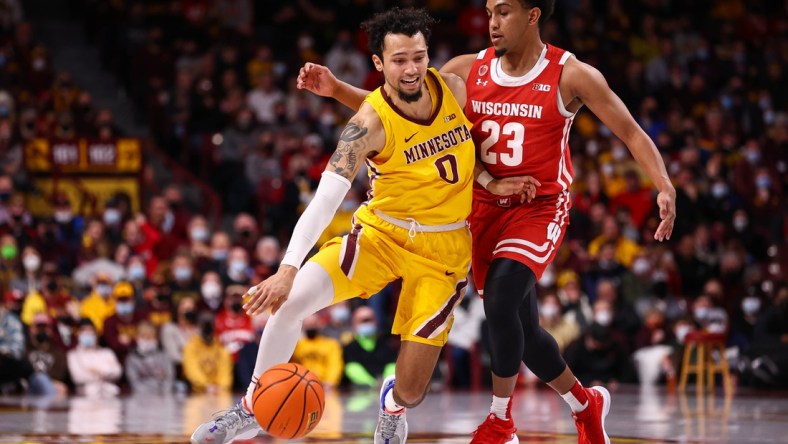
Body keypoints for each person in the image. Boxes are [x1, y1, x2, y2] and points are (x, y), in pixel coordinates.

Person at [298, 1, 677, 442]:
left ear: (533, 16)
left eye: (503, 12)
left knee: (499, 301)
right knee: (526, 331)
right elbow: (399, 111)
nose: (492, 23)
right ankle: (585, 404)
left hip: (537, 204)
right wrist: (337, 88)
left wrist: (663, 184)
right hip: (478, 205)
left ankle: (501, 421)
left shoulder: (570, 74)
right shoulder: (466, 70)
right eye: (489, 12)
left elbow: (630, 130)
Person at [191, 8, 533, 444]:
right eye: (398, 61)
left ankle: (392, 404)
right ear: (378, 64)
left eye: (418, 57)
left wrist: (490, 180)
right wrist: (287, 268)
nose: (411, 69)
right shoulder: (365, 125)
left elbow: (461, 155)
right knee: (290, 300)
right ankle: (252, 407)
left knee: (412, 390)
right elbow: (324, 200)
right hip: (381, 236)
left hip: (444, 251)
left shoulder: (453, 89)